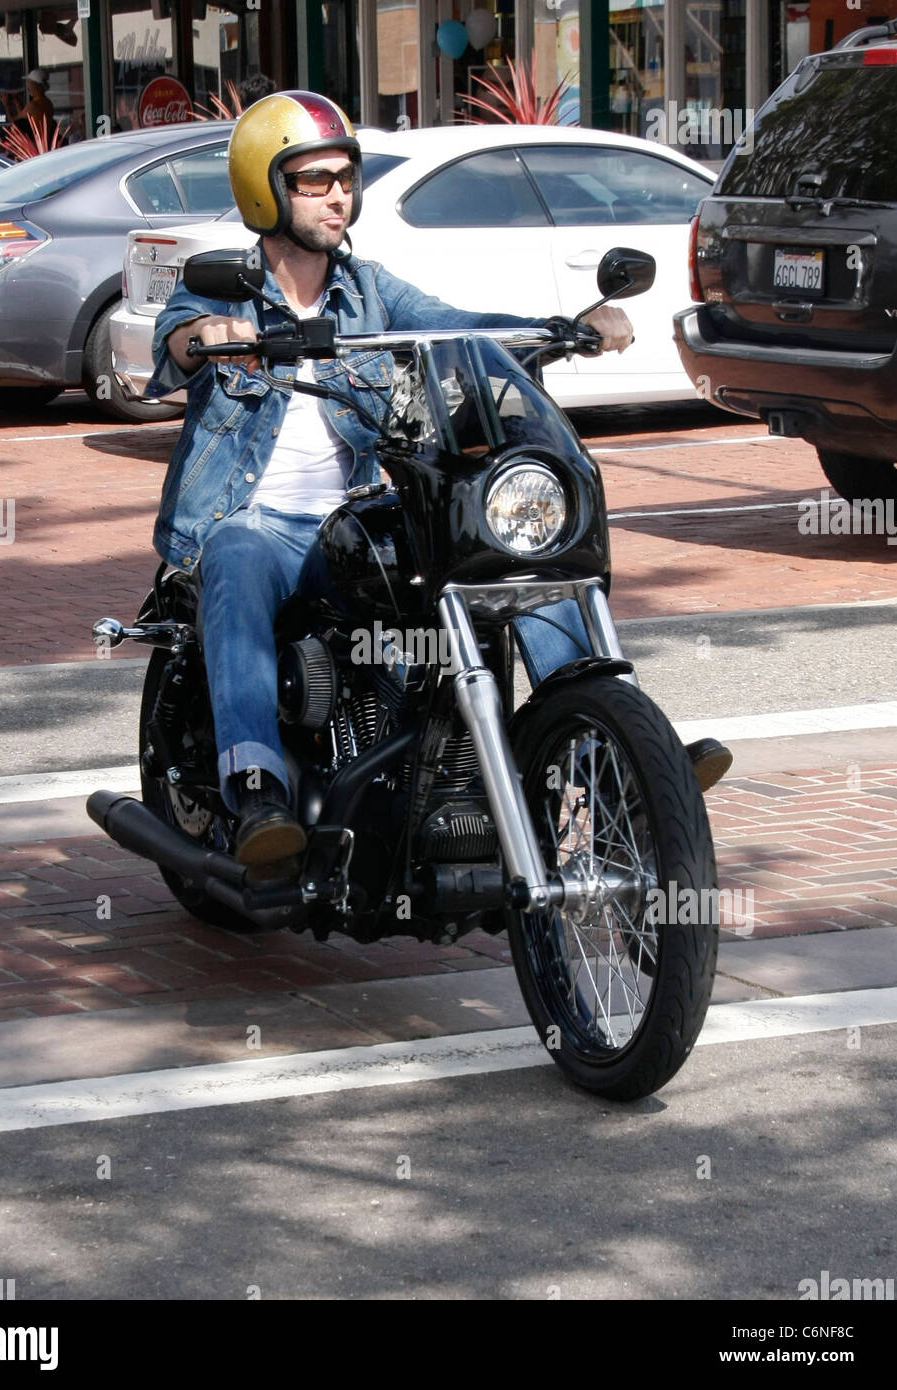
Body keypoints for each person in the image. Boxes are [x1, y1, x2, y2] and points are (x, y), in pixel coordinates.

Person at [147, 91, 730, 878]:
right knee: (238, 557)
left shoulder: (370, 290)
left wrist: (567, 329)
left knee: (506, 556)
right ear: (265, 190)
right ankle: (258, 789)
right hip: (253, 520)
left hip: (346, 521)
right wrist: (210, 337)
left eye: (344, 178)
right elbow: (176, 339)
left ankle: (613, 747)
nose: (336, 196)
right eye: (313, 181)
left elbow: (458, 325)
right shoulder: (220, 290)